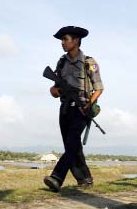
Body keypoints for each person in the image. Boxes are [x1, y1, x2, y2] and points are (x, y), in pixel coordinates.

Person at [43, 26, 104, 192]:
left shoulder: (89, 62)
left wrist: (88, 104)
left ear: (76, 41)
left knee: (71, 144)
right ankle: (85, 179)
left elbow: (99, 88)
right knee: (73, 145)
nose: (62, 43)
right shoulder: (61, 62)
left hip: (82, 108)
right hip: (64, 108)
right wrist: (57, 90)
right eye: (62, 40)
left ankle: (57, 177)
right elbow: (53, 90)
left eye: (65, 39)